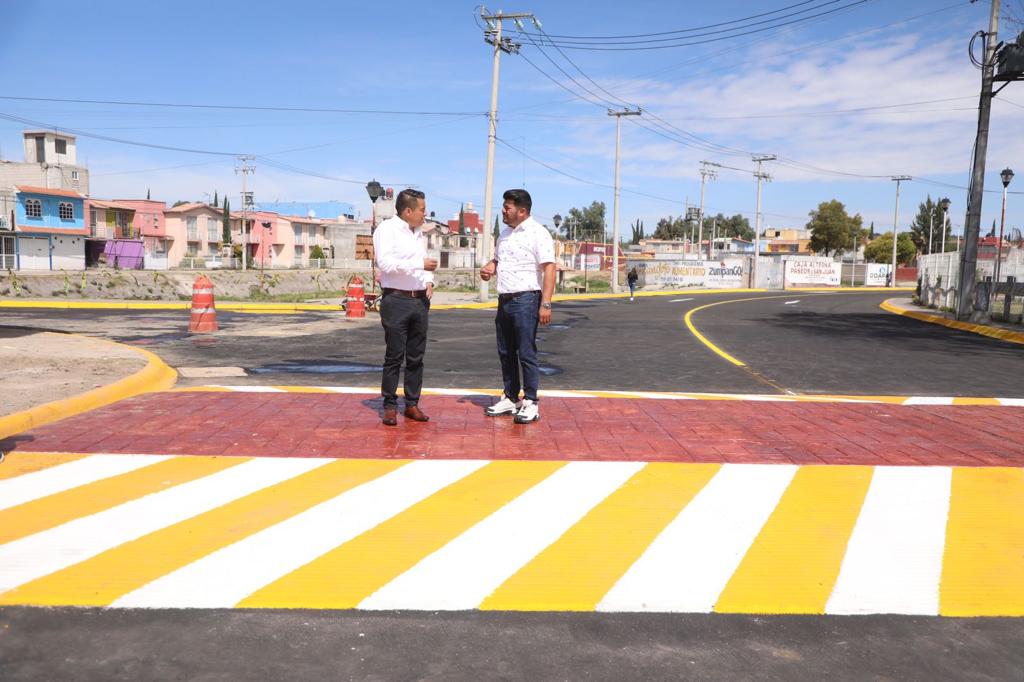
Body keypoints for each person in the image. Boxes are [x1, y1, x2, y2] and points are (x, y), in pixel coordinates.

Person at [479, 189, 556, 424]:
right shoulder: (504, 235)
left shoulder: (538, 233)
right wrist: (491, 266)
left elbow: (549, 268)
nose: (503, 210)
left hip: (527, 299)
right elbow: (499, 259)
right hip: (505, 300)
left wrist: (546, 304)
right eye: (504, 206)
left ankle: (531, 401)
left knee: (526, 352)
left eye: (507, 207)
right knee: (505, 351)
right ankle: (511, 397)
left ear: (522, 211)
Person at [373, 189, 437, 426]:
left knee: (416, 357)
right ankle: (390, 405)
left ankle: (412, 403)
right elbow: (386, 264)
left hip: (419, 300)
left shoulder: (418, 232)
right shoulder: (386, 230)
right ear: (408, 211)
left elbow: (423, 261)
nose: (424, 213)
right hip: (396, 300)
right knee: (394, 356)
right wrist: (420, 264)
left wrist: (430, 280)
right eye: (422, 209)